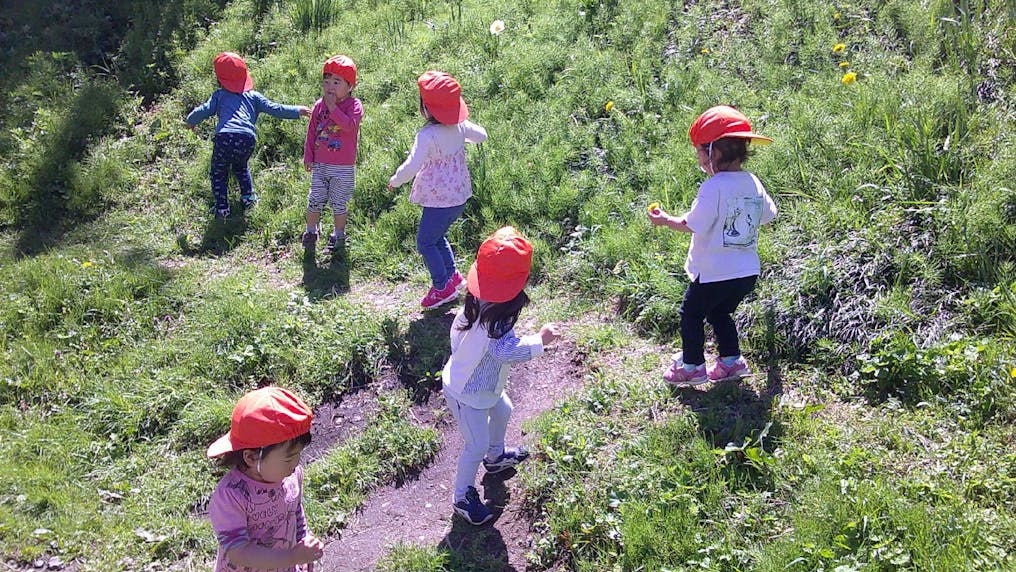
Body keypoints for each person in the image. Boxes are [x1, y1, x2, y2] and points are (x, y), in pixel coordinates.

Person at [648, 105, 777, 386]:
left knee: (691, 314)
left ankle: (692, 366)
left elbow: (693, 224)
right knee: (720, 312)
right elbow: (769, 215)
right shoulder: (752, 182)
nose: (700, 160)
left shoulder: (713, 187)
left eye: (699, 153)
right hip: (745, 273)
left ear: (713, 152)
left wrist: (666, 219)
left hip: (713, 272)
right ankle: (731, 362)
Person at [441, 226, 561, 525]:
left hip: (484, 386)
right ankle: (462, 496)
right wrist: (540, 340)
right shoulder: (495, 322)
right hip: (466, 393)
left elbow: (458, 335)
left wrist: (465, 356)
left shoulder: (482, 303)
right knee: (474, 445)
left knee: (504, 409)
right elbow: (508, 351)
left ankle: (495, 459)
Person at [388, 71, 487, 309]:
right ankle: (452, 277)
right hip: (459, 197)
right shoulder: (461, 126)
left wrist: (395, 180)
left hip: (438, 201)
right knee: (437, 236)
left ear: (427, 109)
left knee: (425, 242)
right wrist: (464, 134)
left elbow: (412, 165)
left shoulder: (427, 135)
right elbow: (481, 135)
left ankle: (442, 287)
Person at [206, 386, 324, 571]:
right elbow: (238, 552)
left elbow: (294, 511)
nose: (296, 464)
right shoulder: (231, 496)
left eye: (298, 455)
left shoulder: (291, 475)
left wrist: (303, 541)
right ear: (252, 457)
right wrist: (291, 556)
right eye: (288, 458)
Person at [186, 51, 311, 219]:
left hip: (225, 137)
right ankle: (248, 198)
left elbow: (204, 110)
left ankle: (222, 209)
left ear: (219, 78)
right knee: (241, 166)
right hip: (247, 138)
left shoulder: (219, 96)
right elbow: (276, 108)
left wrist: (191, 120)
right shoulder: (253, 97)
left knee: (218, 172)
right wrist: (298, 110)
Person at [302, 55, 363, 252]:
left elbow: (349, 127)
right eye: (326, 81)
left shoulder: (354, 106)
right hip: (320, 164)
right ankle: (311, 231)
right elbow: (312, 132)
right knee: (314, 199)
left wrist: (332, 107)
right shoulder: (319, 105)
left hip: (343, 166)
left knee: (339, 202)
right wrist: (308, 156)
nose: (330, 87)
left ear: (350, 86)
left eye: (336, 82)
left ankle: (338, 235)